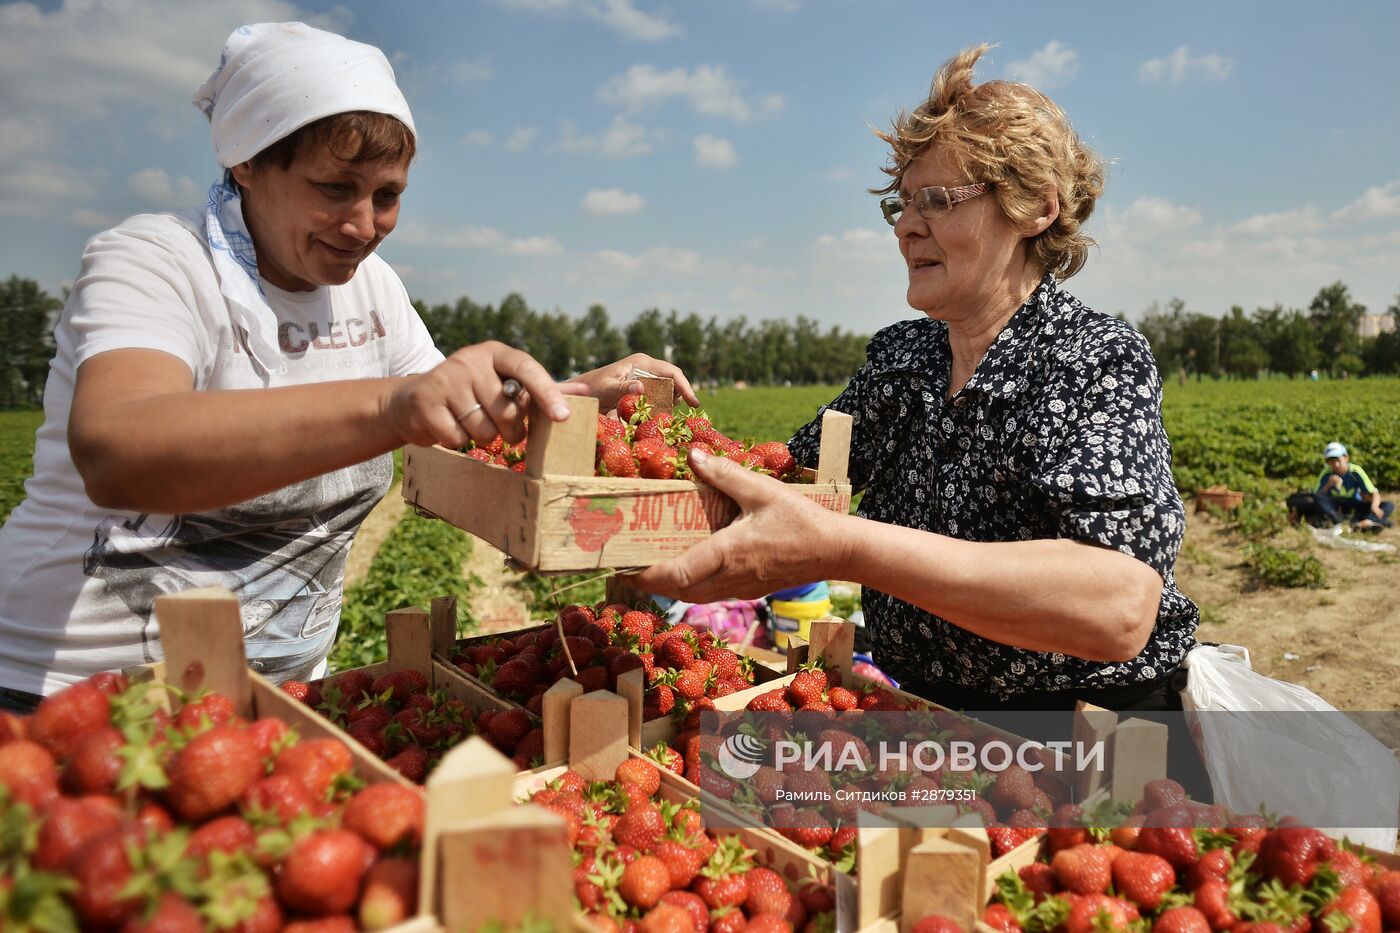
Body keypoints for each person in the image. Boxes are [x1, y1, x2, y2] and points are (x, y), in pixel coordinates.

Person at [0, 22, 695, 709]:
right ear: (246, 161)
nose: (363, 225)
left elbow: (455, 410)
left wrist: (576, 394)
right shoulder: (156, 260)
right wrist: (389, 406)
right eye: (335, 188)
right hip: (68, 697)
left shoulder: (372, 290)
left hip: (279, 703)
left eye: (387, 195)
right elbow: (117, 448)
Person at [634, 44, 1200, 719]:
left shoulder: (1092, 361)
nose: (906, 227)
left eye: (937, 199)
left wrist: (850, 547)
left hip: (1088, 733)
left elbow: (1120, 606)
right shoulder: (903, 363)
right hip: (928, 717)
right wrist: (642, 432)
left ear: (1035, 208)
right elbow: (783, 485)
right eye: (900, 206)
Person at [1315, 442, 1394, 530]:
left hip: (1354, 504)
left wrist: (1374, 507)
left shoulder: (1355, 471)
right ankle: (1341, 523)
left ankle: (1368, 521)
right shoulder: (1326, 473)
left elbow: (1374, 493)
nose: (1336, 464)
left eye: (1338, 460)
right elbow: (1317, 496)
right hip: (1335, 507)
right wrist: (1328, 485)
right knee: (1319, 499)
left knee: (1388, 505)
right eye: (1331, 462)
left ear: (1346, 458)